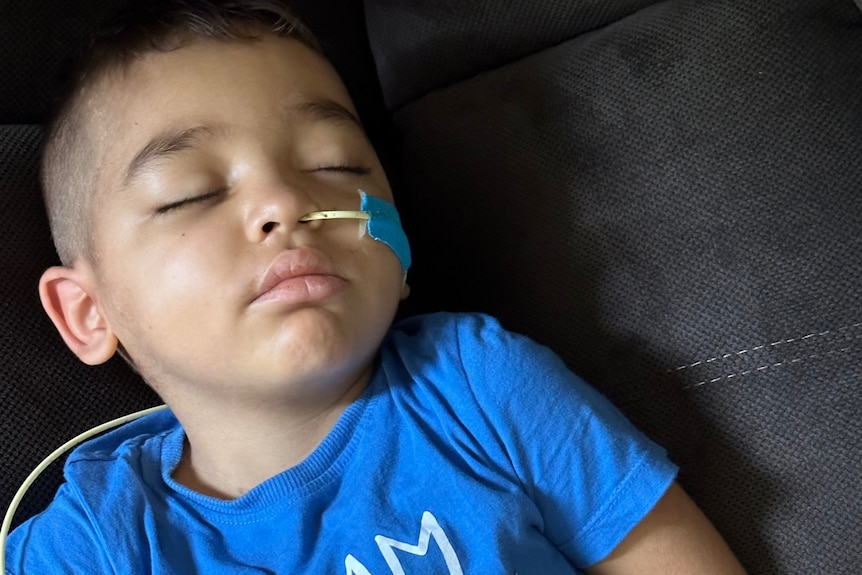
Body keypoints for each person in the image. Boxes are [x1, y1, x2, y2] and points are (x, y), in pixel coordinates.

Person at [4, 1, 747, 573]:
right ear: (89, 312)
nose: (285, 205)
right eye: (191, 192)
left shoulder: (478, 385)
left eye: (335, 166)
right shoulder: (95, 539)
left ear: (399, 250)